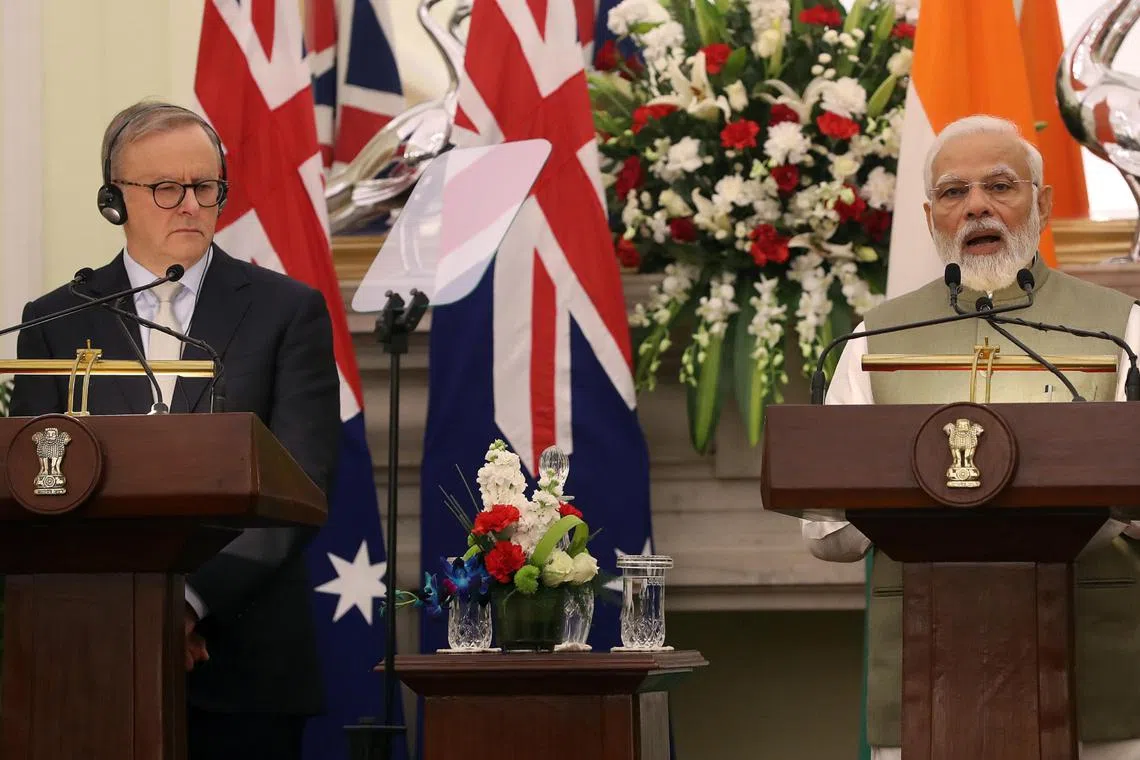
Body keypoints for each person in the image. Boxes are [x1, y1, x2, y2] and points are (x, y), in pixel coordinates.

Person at [9, 100, 341, 760]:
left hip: (246, 667)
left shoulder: (287, 312)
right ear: (114, 200)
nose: (190, 205)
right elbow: (36, 493)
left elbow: (298, 490)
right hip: (89, 660)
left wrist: (185, 604)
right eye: (166, 187)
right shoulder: (55, 322)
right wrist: (125, 609)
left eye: (205, 186)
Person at [803, 114, 1140, 759]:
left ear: (1042, 204)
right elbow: (826, 533)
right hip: (923, 669)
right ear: (930, 216)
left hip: (1092, 660)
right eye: (954, 192)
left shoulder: (1119, 329)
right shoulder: (875, 338)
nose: (976, 206)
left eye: (1000, 186)